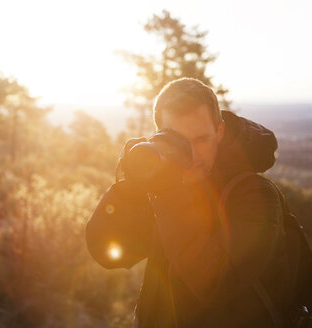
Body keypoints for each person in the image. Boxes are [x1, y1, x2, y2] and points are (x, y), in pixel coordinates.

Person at [85, 78, 297, 327]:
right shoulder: (163, 186)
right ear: (160, 137)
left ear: (220, 131)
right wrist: (134, 182)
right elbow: (107, 253)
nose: (193, 155)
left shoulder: (255, 195)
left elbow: (219, 284)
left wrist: (169, 192)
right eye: (180, 141)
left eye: (201, 139)